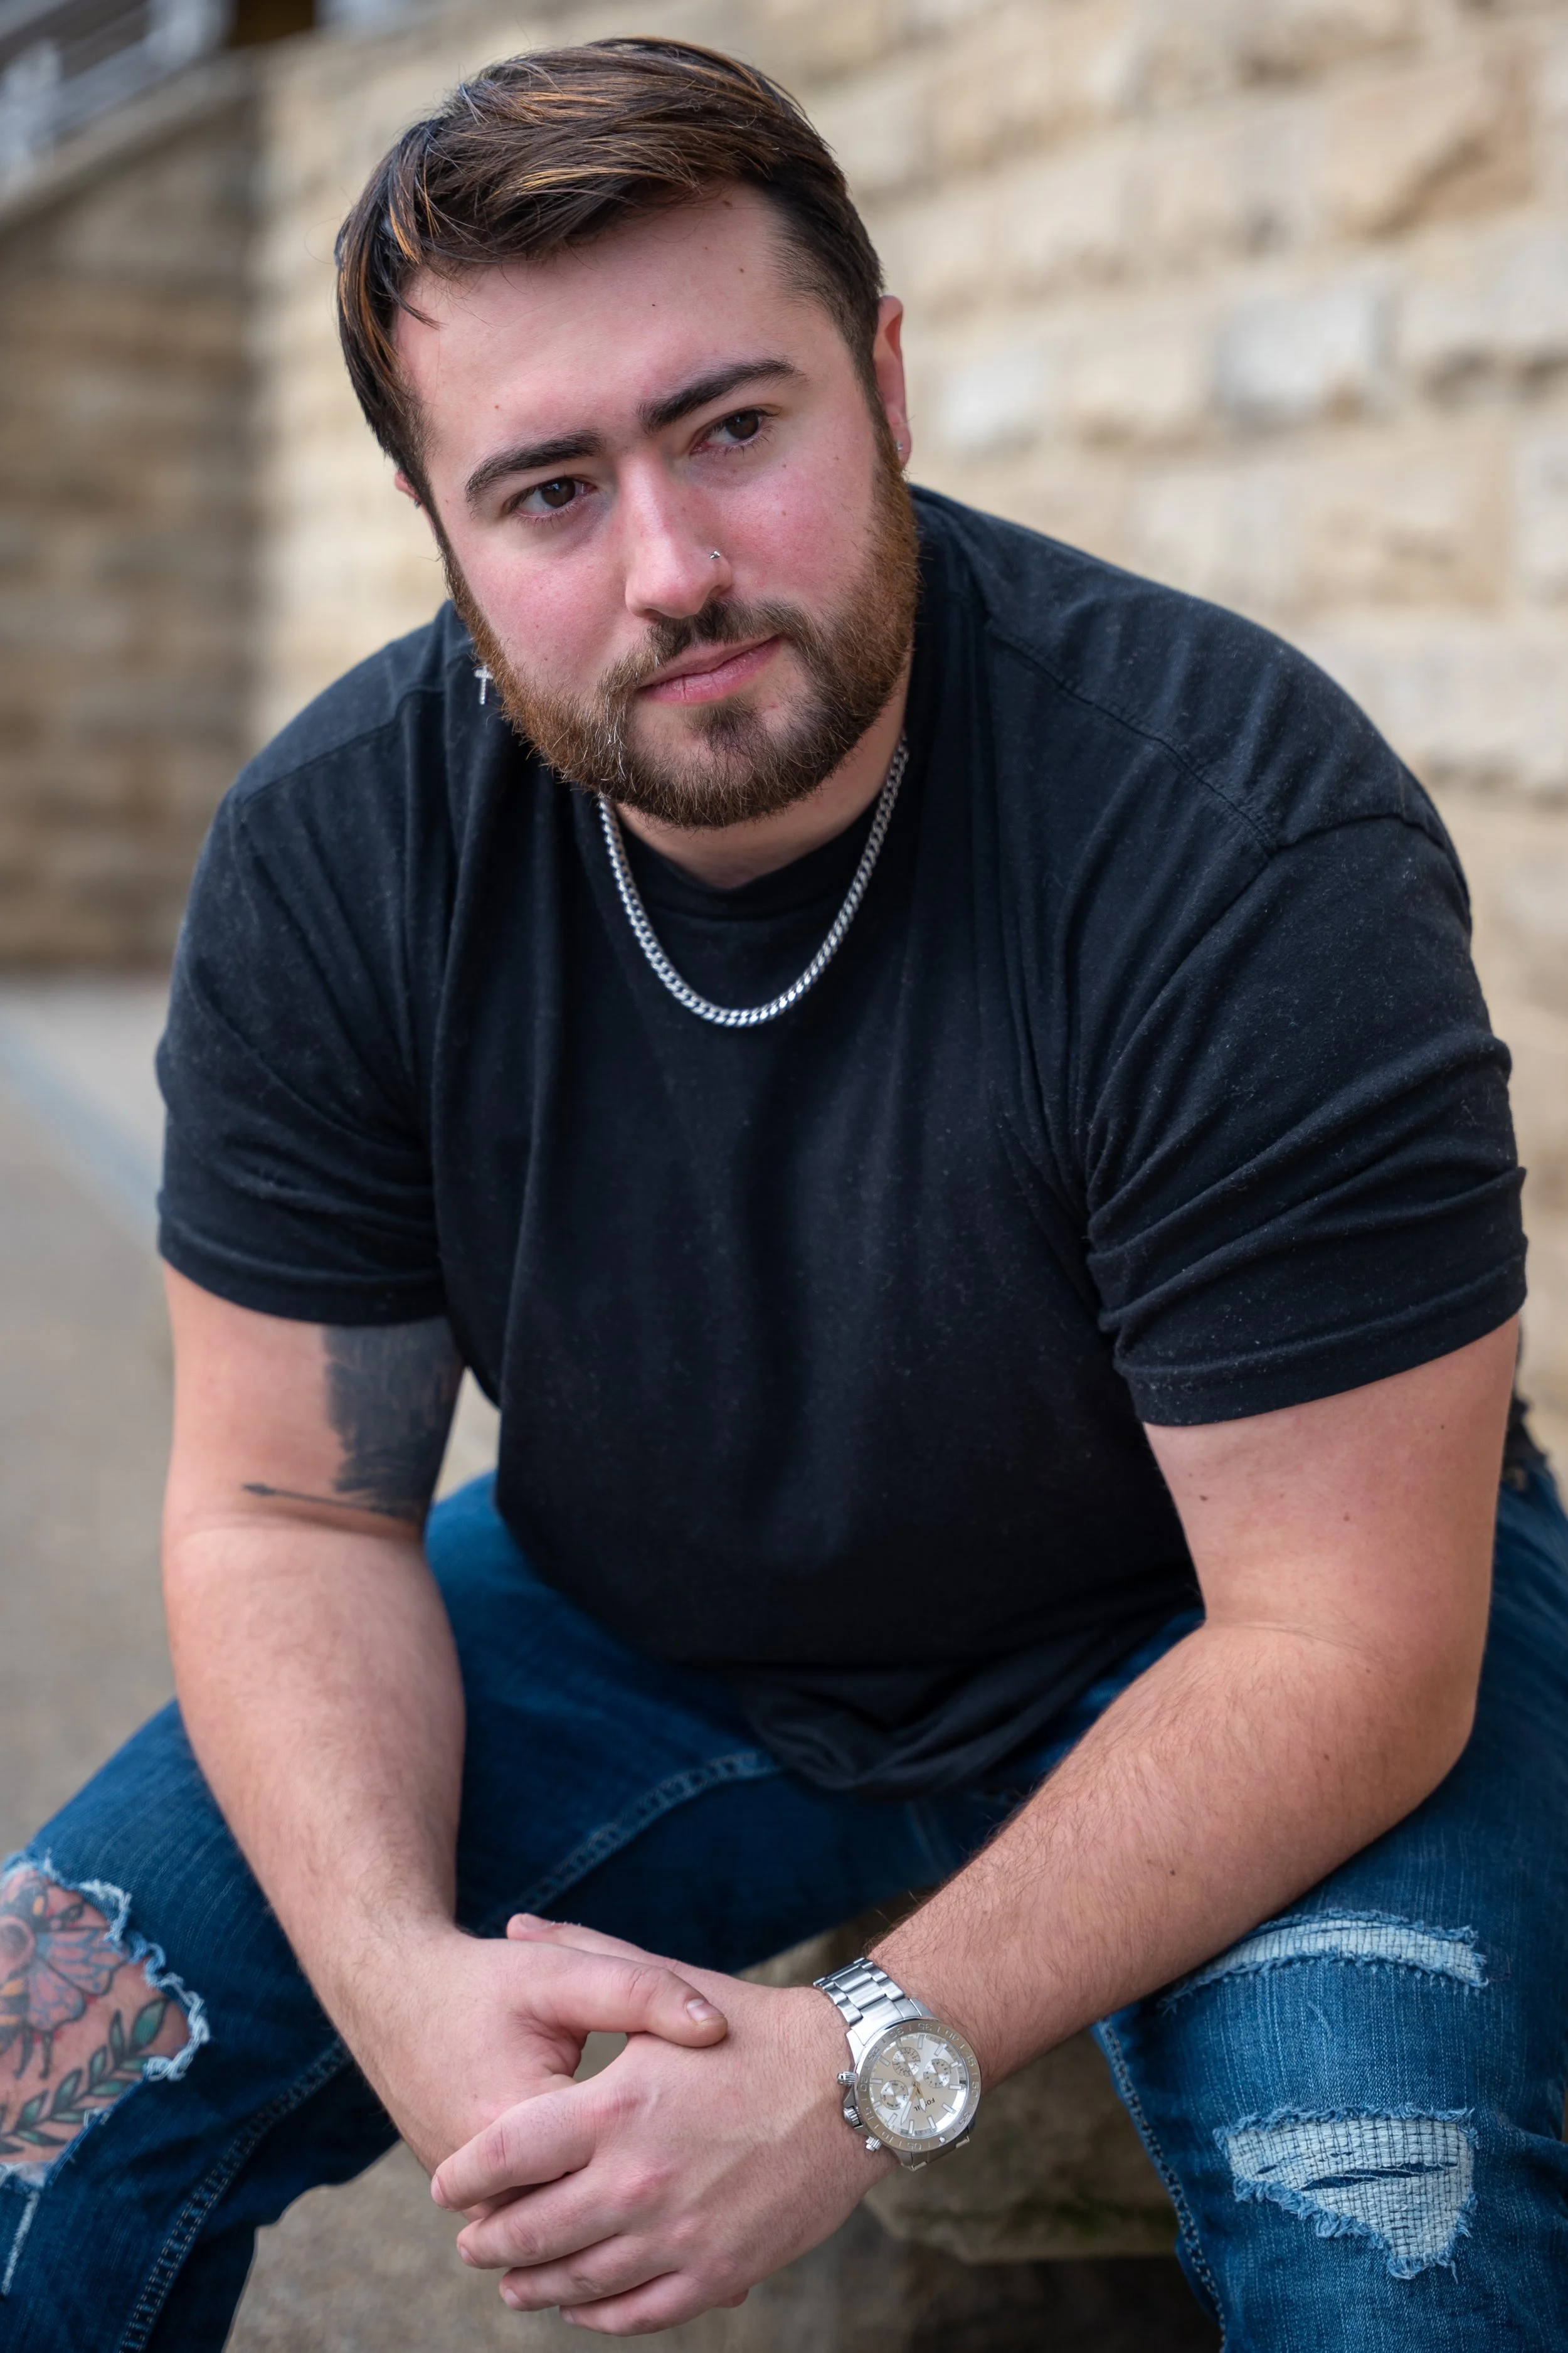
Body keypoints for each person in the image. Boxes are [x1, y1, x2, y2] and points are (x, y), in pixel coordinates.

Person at [3, 35, 1565, 2349]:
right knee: (37, 2082)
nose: (673, 568)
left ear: (888, 384)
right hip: (641, 1615)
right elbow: (285, 1512)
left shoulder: (1234, 836)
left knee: (1396, 2251)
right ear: (440, 530)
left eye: (736, 427)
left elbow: (1345, 1643)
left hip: (1219, 1617)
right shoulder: (338, 857)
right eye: (544, 490)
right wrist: (406, 1991)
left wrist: (861, 2069)